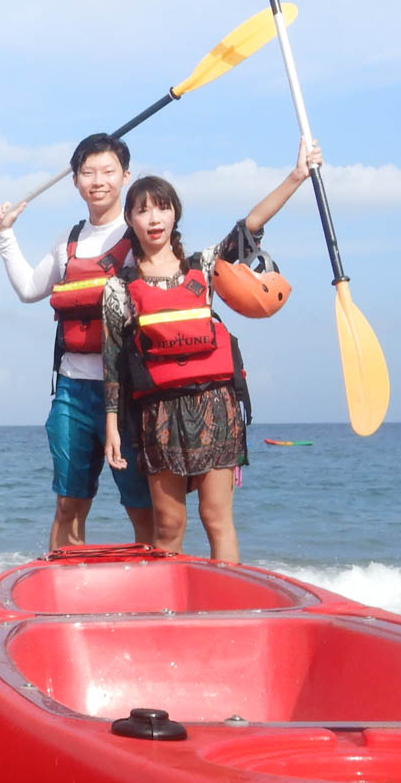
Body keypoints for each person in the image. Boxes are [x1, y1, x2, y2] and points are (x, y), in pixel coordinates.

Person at [102, 140, 320, 560]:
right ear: (129, 219)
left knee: (216, 517)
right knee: (169, 524)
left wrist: (296, 176)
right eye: (143, 210)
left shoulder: (202, 267)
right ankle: (172, 599)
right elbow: (112, 361)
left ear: (175, 214)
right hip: (159, 414)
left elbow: (249, 227)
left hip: (216, 407)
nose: (153, 218)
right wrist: (112, 427)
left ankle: (228, 595)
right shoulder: (118, 288)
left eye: (162, 208)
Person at [0, 134, 156, 548]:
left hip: (128, 392)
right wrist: (6, 236)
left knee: (141, 506)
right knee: (68, 505)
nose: (98, 181)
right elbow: (29, 289)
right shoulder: (68, 240)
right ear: (76, 180)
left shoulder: (139, 236)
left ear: (126, 176)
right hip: (73, 391)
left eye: (108, 171)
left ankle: (153, 580)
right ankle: (64, 581)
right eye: (88, 172)